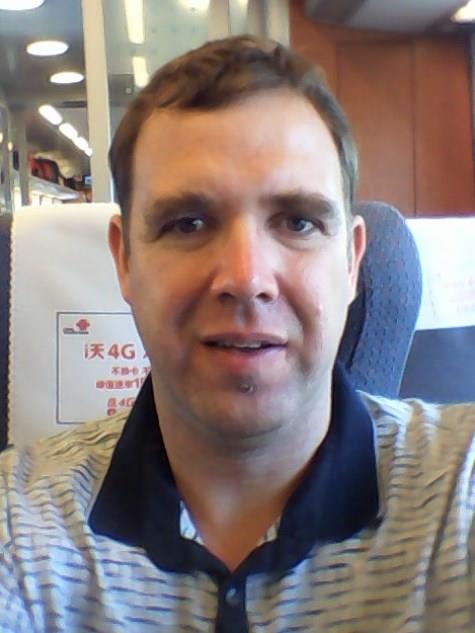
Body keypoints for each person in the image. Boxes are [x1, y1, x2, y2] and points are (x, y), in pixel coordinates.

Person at [0, 35, 474, 633]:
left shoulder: (460, 489)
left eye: (298, 222)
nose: (247, 278)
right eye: (188, 223)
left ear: (352, 263)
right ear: (124, 261)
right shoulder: (18, 525)